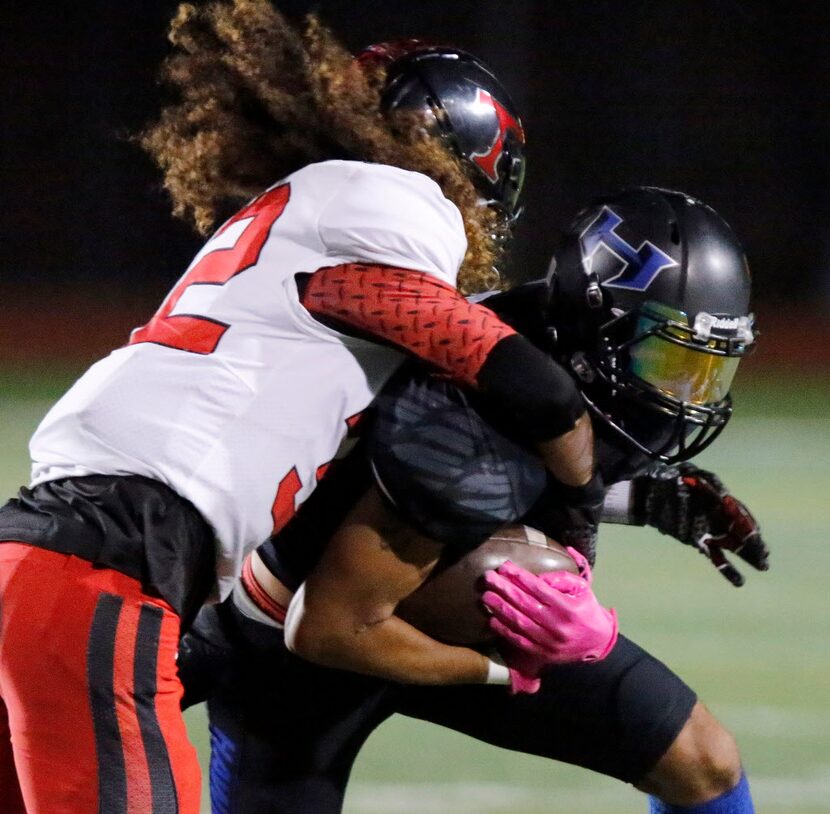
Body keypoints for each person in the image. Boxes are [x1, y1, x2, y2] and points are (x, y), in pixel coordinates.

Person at [0, 4, 605, 812]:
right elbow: (518, 378)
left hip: (56, 553)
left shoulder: (299, 217)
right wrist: (578, 511)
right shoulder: (391, 200)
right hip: (106, 567)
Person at [178, 187, 769, 814]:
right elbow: (333, 626)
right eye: (670, 359)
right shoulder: (460, 417)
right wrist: (501, 672)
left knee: (705, 763)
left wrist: (643, 499)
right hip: (304, 644)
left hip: (448, 604)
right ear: (598, 322)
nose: (687, 391)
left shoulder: (592, 371)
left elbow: (537, 477)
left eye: (705, 366)